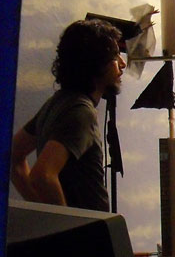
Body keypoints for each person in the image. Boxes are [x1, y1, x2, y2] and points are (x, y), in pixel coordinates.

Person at [10, 19, 125, 212]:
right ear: (95, 63)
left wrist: (44, 211)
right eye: (115, 56)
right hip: (88, 230)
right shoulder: (81, 111)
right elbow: (42, 175)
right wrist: (65, 224)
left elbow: (13, 156)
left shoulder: (57, 102)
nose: (122, 63)